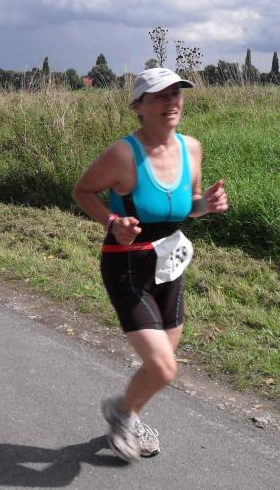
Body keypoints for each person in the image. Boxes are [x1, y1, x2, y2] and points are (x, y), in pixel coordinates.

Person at [72, 67, 229, 462]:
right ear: (138, 107)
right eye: (160, 96)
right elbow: (83, 191)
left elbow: (188, 206)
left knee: (162, 364)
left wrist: (206, 206)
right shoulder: (123, 154)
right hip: (127, 266)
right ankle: (123, 415)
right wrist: (112, 221)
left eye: (176, 94)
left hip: (171, 264)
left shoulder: (192, 149)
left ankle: (125, 413)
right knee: (162, 368)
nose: (171, 102)